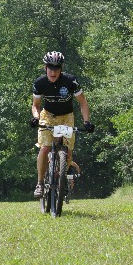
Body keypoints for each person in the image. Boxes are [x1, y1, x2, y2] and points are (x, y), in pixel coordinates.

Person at [30, 51, 94, 198]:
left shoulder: (71, 81)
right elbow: (36, 105)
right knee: (45, 148)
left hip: (66, 117)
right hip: (48, 116)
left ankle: (62, 180)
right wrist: (35, 117)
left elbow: (83, 102)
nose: (53, 72)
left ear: (61, 68)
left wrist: (87, 121)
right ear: (45, 68)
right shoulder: (40, 83)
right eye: (50, 68)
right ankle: (40, 184)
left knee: (68, 150)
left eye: (57, 68)